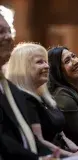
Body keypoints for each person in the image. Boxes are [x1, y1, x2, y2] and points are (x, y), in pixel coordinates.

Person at [5, 42, 78, 159]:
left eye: (46, 62)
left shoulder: (46, 97)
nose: (47, 66)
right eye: (40, 62)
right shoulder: (25, 100)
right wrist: (73, 155)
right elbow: (39, 141)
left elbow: (61, 135)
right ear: (24, 68)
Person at [0, 5, 54, 160]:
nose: (9, 37)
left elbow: (27, 137)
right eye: (1, 31)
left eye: (9, 31)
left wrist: (51, 156)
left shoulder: (12, 90)